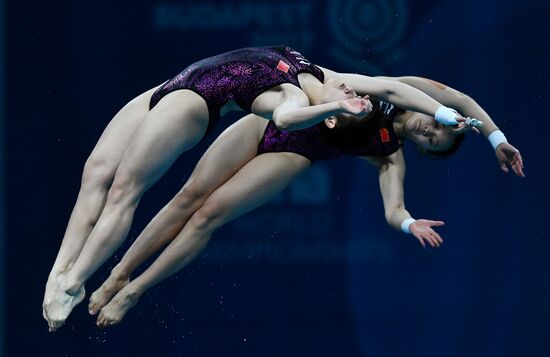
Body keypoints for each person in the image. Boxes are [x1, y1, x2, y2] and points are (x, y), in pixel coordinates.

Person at [43, 45, 467, 331]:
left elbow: (392, 205)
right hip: (239, 112)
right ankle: (109, 275)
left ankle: (131, 288)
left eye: (433, 138)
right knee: (179, 195)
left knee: (204, 214)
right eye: (434, 128)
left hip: (295, 149)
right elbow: (421, 89)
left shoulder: (383, 146)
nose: (429, 130)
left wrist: (409, 223)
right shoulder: (332, 77)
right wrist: (478, 128)